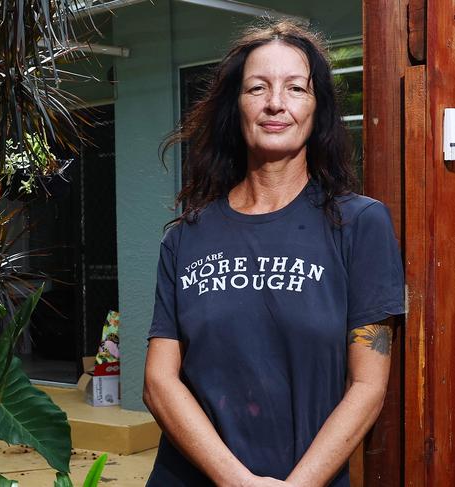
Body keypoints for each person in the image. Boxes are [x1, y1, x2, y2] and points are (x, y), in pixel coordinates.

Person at [143, 20, 405, 487]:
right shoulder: (186, 238)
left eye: (296, 88)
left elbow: (368, 386)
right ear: (236, 107)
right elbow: (159, 383)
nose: (276, 103)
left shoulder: (360, 225)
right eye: (257, 88)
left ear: (317, 107)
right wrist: (236, 482)